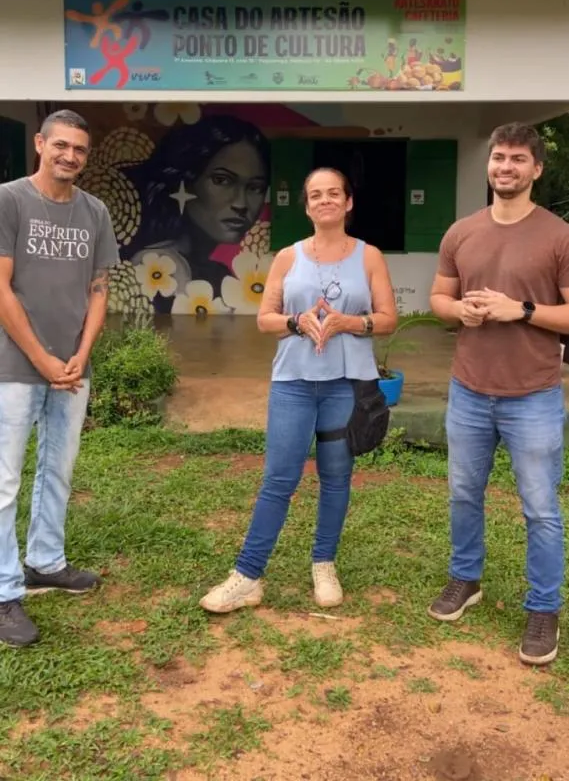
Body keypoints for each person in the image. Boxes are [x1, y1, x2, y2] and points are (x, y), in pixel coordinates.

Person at [200, 167, 397, 613]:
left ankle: (323, 563)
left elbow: (387, 318)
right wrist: (296, 321)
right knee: (279, 478)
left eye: (334, 193)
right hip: (293, 384)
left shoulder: (369, 257)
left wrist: (350, 322)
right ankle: (248, 574)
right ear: (306, 206)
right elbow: (265, 318)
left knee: (335, 476)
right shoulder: (289, 257)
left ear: (348, 203)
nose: (325, 200)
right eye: (315, 194)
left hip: (344, 387)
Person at [429, 121, 569, 666]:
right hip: (468, 390)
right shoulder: (461, 232)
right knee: (464, 494)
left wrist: (524, 311)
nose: (505, 167)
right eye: (498, 158)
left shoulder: (558, 235)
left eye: (517, 159)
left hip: (532, 395)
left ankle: (543, 607)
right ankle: (466, 578)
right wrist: (458, 310)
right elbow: (440, 297)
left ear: (536, 169)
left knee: (539, 508)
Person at [0, 109, 118, 648]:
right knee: (3, 483)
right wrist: (43, 359)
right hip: (15, 367)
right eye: (61, 146)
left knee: (58, 470)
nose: (70, 156)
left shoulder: (95, 212)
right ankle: (4, 593)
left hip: (73, 369)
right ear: (41, 144)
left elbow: (99, 289)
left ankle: (45, 561)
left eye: (80, 150)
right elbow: (2, 290)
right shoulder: (10, 200)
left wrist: (79, 355)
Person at [125, 115, 270, 305]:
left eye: (255, 188)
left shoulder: (216, 272)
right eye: (221, 180)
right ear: (185, 181)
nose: (241, 204)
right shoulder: (162, 265)